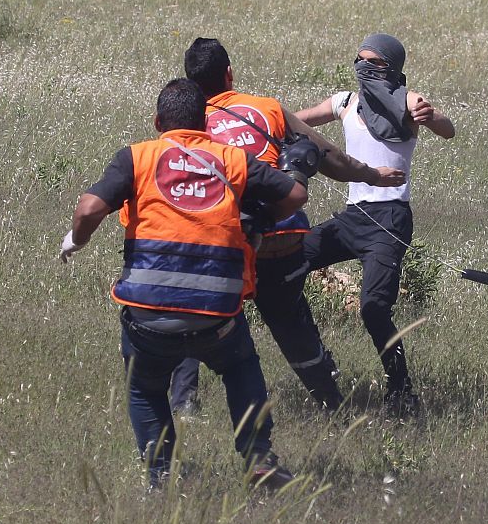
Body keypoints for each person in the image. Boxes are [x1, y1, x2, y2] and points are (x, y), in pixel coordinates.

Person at [59, 77, 306, 489]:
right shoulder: (232, 159)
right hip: (217, 314)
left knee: (144, 387)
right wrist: (262, 220)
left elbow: (88, 209)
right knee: (240, 365)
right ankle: (258, 457)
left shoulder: (137, 157)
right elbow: (295, 196)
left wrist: (77, 240)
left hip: (149, 317)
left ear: (158, 122)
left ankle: (160, 477)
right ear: (205, 123)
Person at [170, 38, 407, 412]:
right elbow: (328, 156)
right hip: (281, 237)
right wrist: (372, 175)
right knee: (289, 324)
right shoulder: (267, 109)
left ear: (191, 84)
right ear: (229, 73)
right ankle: (332, 406)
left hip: (224, 241)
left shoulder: (188, 123)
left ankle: (184, 405)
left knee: (193, 310)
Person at [294, 33, 455, 417]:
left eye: (374, 62)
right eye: (359, 60)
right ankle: (316, 356)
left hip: (389, 220)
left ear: (392, 67)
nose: (363, 68)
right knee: (286, 263)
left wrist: (431, 117)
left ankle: (402, 392)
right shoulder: (346, 102)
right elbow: (296, 120)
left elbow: (447, 129)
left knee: (373, 308)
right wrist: (266, 122)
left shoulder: (408, 101)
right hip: (353, 216)